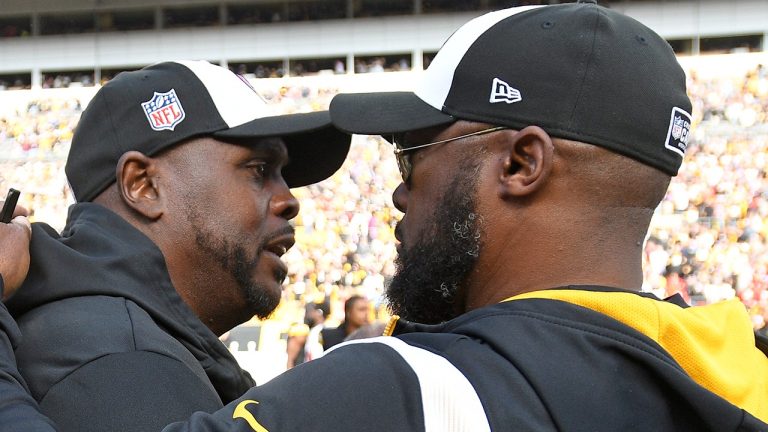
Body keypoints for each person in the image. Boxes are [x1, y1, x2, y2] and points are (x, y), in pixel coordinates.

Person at [0, 3, 767, 431]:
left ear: (521, 164)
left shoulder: (393, 390)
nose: (401, 193)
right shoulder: (734, 373)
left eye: (414, 153)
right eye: (256, 167)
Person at [5, 60, 350, 432]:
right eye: (259, 170)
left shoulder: (119, 336)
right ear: (144, 186)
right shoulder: (127, 363)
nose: (289, 200)